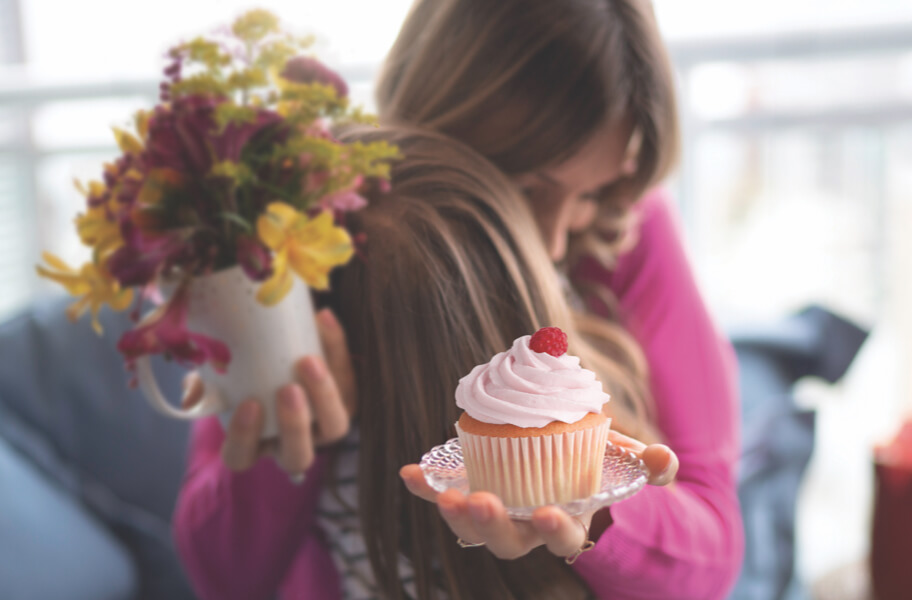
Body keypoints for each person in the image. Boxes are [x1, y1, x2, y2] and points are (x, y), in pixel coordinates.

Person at [172, 0, 743, 598]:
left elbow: (712, 552)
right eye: (525, 186)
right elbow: (220, 574)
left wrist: (587, 502)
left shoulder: (622, 227)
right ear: (434, 113)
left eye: (591, 192)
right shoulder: (307, 243)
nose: (553, 242)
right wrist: (283, 448)